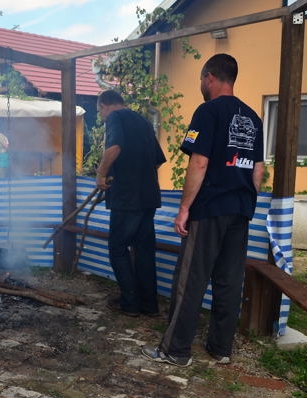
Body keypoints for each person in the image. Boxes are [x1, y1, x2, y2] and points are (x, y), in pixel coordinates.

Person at [142, 54, 265, 367]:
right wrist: (246, 202)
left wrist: (184, 209)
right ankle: (221, 348)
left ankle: (175, 350)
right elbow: (258, 171)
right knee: (229, 280)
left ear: (210, 77)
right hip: (240, 209)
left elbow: (199, 161)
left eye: (201, 79)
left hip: (210, 208)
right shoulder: (253, 118)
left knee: (191, 279)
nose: (201, 84)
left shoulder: (207, 111)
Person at [95, 90, 166, 318]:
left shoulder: (116, 118)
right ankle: (149, 305)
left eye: (100, 111)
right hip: (148, 198)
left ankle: (130, 304)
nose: (102, 116)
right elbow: (157, 160)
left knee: (117, 248)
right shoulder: (143, 121)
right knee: (144, 250)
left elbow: (114, 148)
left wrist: (101, 175)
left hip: (127, 198)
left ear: (106, 105)